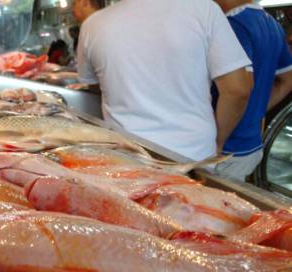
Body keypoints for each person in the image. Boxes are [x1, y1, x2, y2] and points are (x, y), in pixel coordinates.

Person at [77, 0, 254, 161]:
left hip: (125, 156)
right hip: (194, 156)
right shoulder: (203, 8)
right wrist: (219, 141)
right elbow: (238, 89)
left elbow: (93, 85)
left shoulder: (92, 24)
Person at [211, 0, 292, 182]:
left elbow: (238, 91)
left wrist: (217, 140)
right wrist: (256, 109)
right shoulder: (272, 24)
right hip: (250, 145)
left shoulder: (233, 25)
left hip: (225, 149)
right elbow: (288, 79)